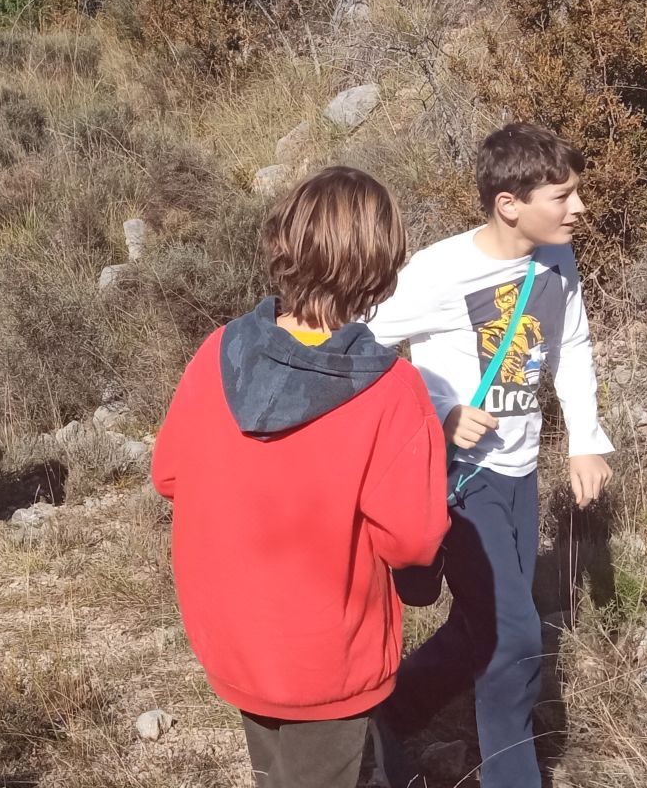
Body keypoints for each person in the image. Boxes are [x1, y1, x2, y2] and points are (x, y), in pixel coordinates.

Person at [152, 166, 448, 788]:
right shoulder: (392, 390)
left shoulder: (219, 352)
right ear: (379, 267)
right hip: (327, 656)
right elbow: (412, 540)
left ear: (285, 245)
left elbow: (169, 473)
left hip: (233, 637)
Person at [366, 123, 616, 788]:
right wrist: (439, 411)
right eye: (561, 196)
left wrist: (585, 440)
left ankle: (396, 708)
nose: (579, 208)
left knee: (484, 624)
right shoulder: (438, 272)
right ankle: (513, 775)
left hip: (520, 469)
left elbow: (571, 346)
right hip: (463, 478)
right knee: (514, 638)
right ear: (510, 204)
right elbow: (363, 347)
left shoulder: (555, 258)